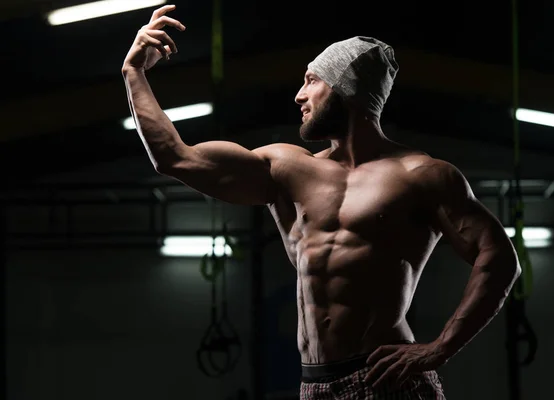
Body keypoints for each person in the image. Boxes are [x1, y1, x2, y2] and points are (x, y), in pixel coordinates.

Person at [122, 5, 522, 399]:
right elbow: (175, 158)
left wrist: (440, 349)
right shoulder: (284, 168)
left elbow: (499, 257)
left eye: (311, 80)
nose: (298, 95)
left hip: (385, 381)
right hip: (314, 385)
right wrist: (134, 73)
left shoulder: (422, 175)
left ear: (345, 88)